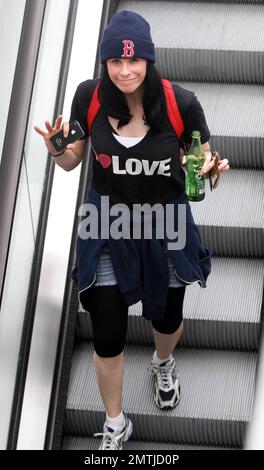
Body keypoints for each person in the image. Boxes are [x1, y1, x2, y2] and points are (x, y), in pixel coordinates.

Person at [35, 10, 230, 450]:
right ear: (104, 62)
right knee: (106, 332)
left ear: (148, 60)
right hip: (106, 220)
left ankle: (162, 361)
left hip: (165, 221)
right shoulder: (89, 96)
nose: (124, 71)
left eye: (134, 61)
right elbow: (73, 160)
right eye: (115, 62)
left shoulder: (181, 104)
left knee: (167, 317)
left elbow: (202, 167)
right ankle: (115, 422)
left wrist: (212, 170)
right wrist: (56, 151)